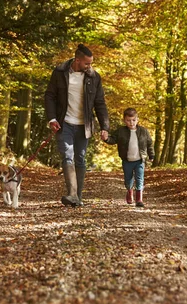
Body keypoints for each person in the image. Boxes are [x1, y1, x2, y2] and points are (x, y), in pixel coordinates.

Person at [45, 44, 109, 207]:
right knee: (67, 156)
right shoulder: (60, 73)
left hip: (84, 125)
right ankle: (72, 194)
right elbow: (50, 96)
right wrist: (52, 118)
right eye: (87, 63)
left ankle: (77, 197)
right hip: (64, 122)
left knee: (80, 158)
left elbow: (100, 103)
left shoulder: (94, 77)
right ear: (77, 60)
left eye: (91, 63)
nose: (90, 66)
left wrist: (104, 126)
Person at [103, 107, 154, 207]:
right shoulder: (121, 131)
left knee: (140, 179)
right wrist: (106, 139)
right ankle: (129, 191)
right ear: (124, 120)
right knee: (128, 179)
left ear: (137, 119)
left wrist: (151, 155)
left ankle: (139, 199)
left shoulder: (144, 131)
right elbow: (112, 139)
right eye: (128, 120)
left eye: (134, 120)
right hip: (127, 160)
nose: (131, 123)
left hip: (139, 160)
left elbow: (149, 144)